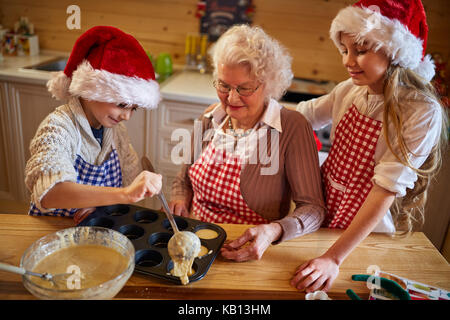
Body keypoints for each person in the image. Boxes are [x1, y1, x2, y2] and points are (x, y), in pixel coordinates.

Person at [290, 0, 448, 293]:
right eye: (345, 50)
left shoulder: (420, 111)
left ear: (394, 51)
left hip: (362, 232)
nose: (348, 61)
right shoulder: (350, 90)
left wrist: (333, 258)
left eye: (360, 51)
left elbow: (384, 189)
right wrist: (253, 110)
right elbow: (301, 117)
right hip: (322, 210)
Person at [170, 25, 326, 261]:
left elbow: (313, 209)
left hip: (250, 251)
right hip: (196, 245)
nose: (231, 98)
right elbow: (183, 178)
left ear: (268, 85)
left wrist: (275, 230)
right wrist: (180, 197)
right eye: (223, 85)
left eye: (244, 88)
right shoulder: (211, 117)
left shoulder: (292, 127)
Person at [25, 26, 163, 223]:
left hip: (94, 231)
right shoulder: (58, 128)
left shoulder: (116, 133)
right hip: (53, 231)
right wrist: (124, 194)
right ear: (92, 90)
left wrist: (103, 202)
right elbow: (50, 193)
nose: (127, 116)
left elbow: (130, 178)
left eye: (134, 108)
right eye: (122, 104)